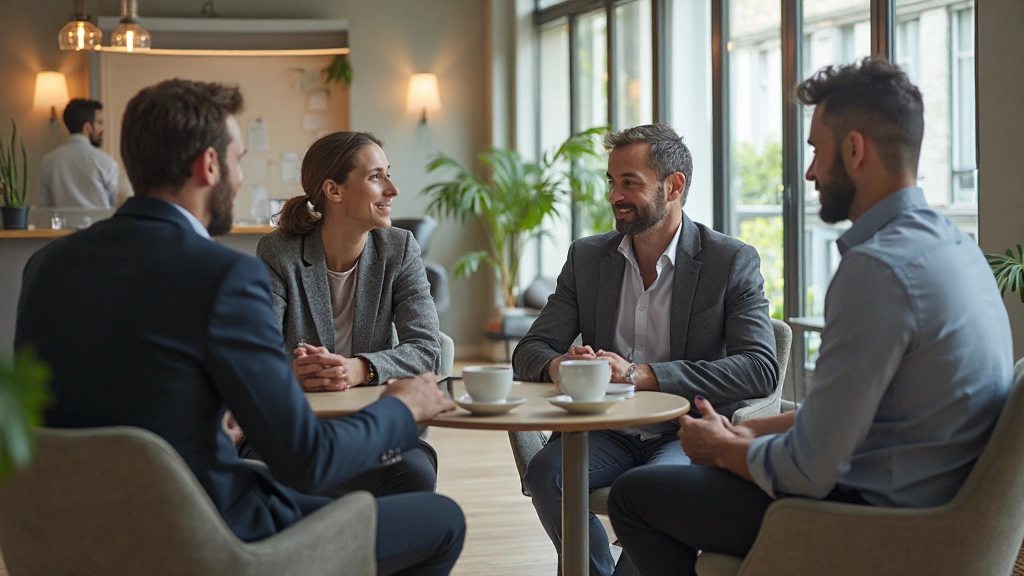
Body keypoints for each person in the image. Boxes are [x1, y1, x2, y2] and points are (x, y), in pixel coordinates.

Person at [15, 79, 465, 576]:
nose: (239, 174)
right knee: (442, 522)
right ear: (209, 166)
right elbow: (306, 460)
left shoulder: (46, 266)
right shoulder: (224, 276)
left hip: (58, 536)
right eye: (237, 159)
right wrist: (402, 408)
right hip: (202, 535)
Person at [607, 58, 1013, 576]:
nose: (810, 172)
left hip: (870, 522)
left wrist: (722, 449)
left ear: (854, 149)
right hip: (929, 505)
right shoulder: (955, 247)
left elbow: (809, 469)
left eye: (817, 150)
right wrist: (744, 434)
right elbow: (852, 416)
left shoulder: (878, 269)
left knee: (636, 495)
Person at [511, 123, 779, 576]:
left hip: (683, 432)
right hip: (605, 431)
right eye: (612, 182)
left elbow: (759, 368)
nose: (615, 195)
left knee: (652, 490)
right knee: (546, 473)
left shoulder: (729, 261)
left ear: (674, 187)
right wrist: (562, 366)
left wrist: (640, 374)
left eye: (630, 183)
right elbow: (530, 349)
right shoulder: (587, 258)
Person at [251, 131, 442, 495]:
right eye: (375, 176)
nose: (392, 189)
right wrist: (292, 373)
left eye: (388, 173)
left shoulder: (399, 250)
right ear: (333, 191)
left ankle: (380, 554)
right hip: (295, 425)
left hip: (372, 425)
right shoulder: (279, 253)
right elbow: (257, 354)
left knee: (415, 473)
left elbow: (427, 351)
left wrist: (359, 368)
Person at [38, 98, 119, 208]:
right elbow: (116, 205)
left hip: (63, 225)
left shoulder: (48, 161)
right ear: (87, 127)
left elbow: (45, 207)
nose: (102, 128)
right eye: (99, 122)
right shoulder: (106, 162)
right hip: (100, 224)